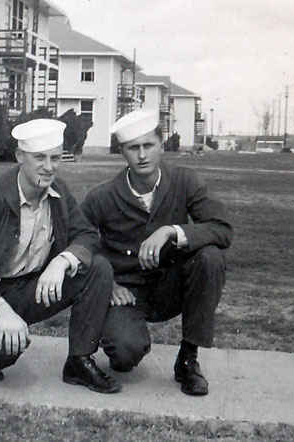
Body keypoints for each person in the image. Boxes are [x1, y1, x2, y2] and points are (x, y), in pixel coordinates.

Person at [0, 119, 120, 394]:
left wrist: (62, 261)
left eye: (55, 158)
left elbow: (86, 234)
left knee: (98, 268)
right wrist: (1, 310)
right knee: (2, 350)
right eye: (39, 158)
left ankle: (79, 361)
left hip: (34, 286)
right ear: (19, 157)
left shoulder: (59, 192)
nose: (49, 167)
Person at [81, 110, 233, 396]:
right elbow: (78, 243)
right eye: (132, 148)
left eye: (148, 145)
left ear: (162, 146)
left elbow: (222, 229)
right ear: (122, 152)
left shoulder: (185, 181)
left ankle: (188, 360)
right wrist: (108, 284)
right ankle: (125, 340)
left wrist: (172, 231)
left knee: (210, 257)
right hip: (126, 292)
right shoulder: (102, 196)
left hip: (170, 286)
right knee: (125, 355)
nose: (142, 155)